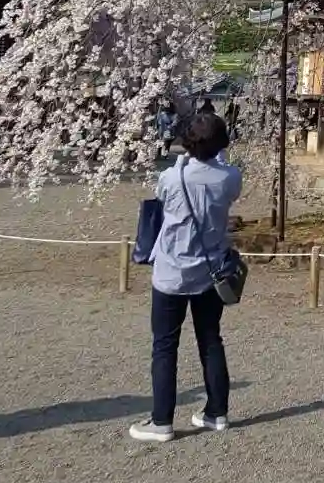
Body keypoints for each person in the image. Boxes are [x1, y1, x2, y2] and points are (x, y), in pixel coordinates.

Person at [130, 113, 243, 443]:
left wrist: (184, 163)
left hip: (171, 272)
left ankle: (161, 420)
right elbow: (225, 181)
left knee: (165, 346)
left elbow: (163, 198)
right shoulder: (230, 178)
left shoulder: (172, 176)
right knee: (210, 340)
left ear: (187, 143)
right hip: (210, 271)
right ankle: (216, 412)